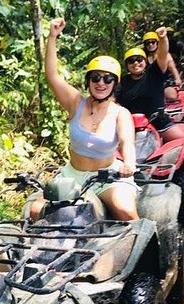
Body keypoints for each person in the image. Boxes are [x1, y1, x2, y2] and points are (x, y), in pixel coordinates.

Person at [37, 17, 139, 221]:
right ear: (88, 81)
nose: (101, 83)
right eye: (96, 78)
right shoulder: (75, 102)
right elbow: (52, 76)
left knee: (125, 210)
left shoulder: (121, 113)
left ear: (115, 83)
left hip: (107, 178)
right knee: (35, 211)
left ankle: (150, 248)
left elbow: (127, 141)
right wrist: (52, 37)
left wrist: (129, 163)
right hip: (71, 176)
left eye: (108, 79)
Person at [117, 27, 184, 143]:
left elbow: (163, 54)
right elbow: (113, 101)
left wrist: (163, 38)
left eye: (139, 60)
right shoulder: (122, 81)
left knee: (183, 140)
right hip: (130, 124)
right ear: (127, 65)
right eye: (131, 61)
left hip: (156, 120)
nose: (135, 63)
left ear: (144, 62)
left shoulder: (154, 72)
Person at [143, 30, 181, 101]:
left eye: (152, 42)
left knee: (171, 96)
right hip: (149, 84)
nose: (150, 45)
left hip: (164, 83)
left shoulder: (164, 55)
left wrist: (177, 79)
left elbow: (172, 68)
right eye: (148, 43)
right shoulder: (142, 58)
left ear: (157, 43)